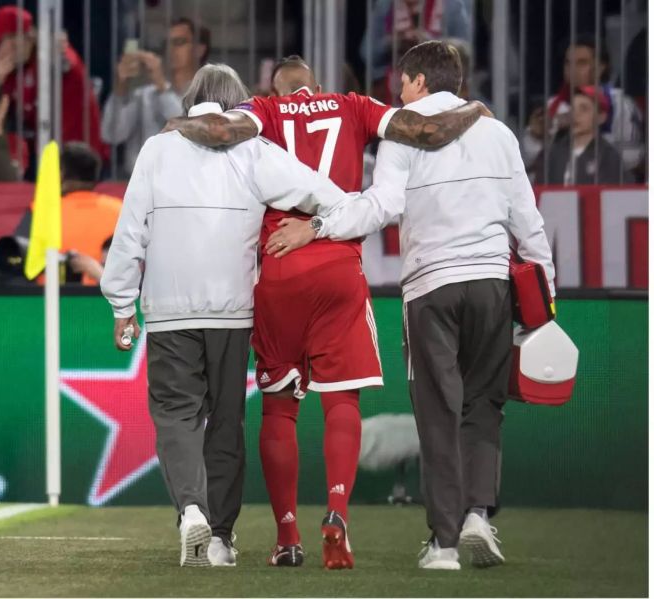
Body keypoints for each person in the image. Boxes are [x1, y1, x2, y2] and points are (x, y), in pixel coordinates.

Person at [164, 55, 488, 569]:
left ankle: (286, 536)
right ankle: (337, 513)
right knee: (341, 403)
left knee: (279, 409)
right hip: (339, 265)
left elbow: (219, 130)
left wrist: (175, 125)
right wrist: (474, 110)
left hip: (277, 267)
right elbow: (425, 128)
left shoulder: (264, 111)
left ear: (274, 88)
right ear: (315, 83)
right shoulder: (353, 105)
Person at [265, 40, 555, 571]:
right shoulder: (498, 132)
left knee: (438, 412)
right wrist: (547, 301)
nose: (398, 91)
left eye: (402, 82)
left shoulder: (401, 128)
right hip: (492, 282)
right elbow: (527, 219)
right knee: (484, 406)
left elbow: (382, 206)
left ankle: (443, 544)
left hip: (431, 288)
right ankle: (477, 517)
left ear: (419, 81)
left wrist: (318, 226)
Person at [100, 64, 363, 568]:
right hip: (233, 310)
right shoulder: (254, 149)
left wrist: (120, 303)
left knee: (177, 416)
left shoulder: (158, 148)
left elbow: (130, 229)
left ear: (190, 99)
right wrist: (318, 227)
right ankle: (219, 537)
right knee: (226, 422)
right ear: (240, 103)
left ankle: (192, 511)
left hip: (170, 310)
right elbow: (329, 196)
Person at [0, 5, 109, 178]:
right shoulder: (13, 71)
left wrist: (54, 47)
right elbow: (2, 117)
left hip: (82, 162)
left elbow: (64, 62)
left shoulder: (52, 57)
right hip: (48, 158)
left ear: (19, 39)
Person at [521, 34, 643, 180]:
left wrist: (586, 139)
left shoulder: (620, 104)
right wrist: (536, 137)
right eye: (568, 63)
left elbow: (634, 158)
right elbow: (526, 162)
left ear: (600, 68)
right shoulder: (552, 106)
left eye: (581, 63)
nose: (572, 70)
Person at [101, 17, 210, 178]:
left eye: (179, 42)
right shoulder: (145, 94)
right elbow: (111, 134)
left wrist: (161, 87)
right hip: (140, 186)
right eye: (168, 43)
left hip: (186, 187)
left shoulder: (210, 95)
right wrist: (120, 85)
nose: (171, 49)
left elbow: (188, 129)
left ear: (199, 49)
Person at [361, 0, 471, 104]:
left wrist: (430, 43)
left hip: (441, 88)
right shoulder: (385, 5)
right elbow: (366, 52)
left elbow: (465, 50)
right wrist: (392, 43)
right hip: (390, 90)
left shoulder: (451, 5)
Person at [541, 86, 633, 185]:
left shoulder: (608, 156)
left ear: (601, 117)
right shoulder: (552, 152)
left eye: (583, 109)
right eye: (572, 109)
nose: (575, 115)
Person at [59, 142, 122, 286]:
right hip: (106, 301)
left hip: (48, 300)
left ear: (61, 173)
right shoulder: (121, 210)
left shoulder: (42, 212)